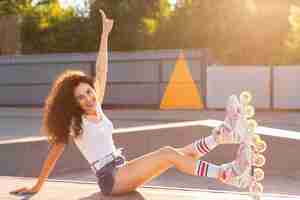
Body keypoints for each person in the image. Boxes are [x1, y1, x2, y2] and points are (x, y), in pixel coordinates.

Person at [11, 9, 251, 196]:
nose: (88, 98)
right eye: (81, 97)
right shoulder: (76, 123)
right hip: (111, 178)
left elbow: (101, 69)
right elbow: (54, 153)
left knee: (179, 154)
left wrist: (105, 35)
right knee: (168, 153)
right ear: (73, 103)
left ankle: (222, 135)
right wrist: (37, 186)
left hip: (121, 169)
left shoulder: (98, 106)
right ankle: (228, 174)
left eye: (89, 92)